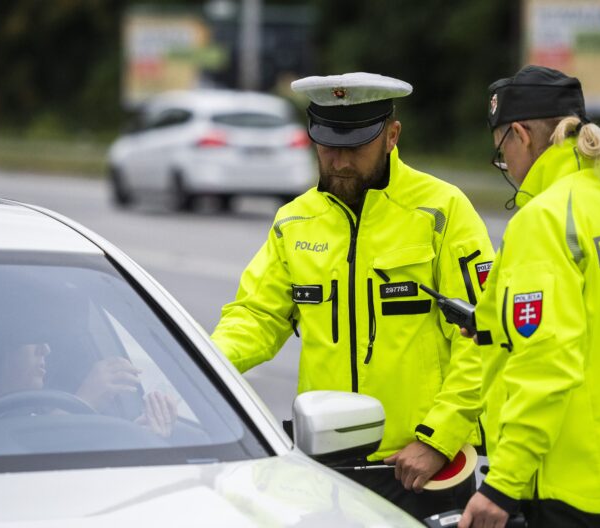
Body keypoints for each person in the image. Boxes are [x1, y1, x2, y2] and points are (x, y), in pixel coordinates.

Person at [211, 72, 495, 519]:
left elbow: (483, 336)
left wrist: (437, 438)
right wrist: (197, 366)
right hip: (320, 473)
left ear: (392, 136)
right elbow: (255, 318)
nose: (340, 160)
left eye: (355, 145)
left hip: (418, 469)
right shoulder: (293, 221)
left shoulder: (442, 210)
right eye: (327, 144)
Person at [458, 65, 600, 528]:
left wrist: (503, 485)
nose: (507, 167)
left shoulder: (542, 219)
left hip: (573, 487)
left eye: (501, 152)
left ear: (520, 135)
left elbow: (545, 359)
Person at [0, 340, 176, 437]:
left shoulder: (27, 414)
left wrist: (136, 435)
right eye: (30, 338)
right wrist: (84, 401)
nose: (46, 349)